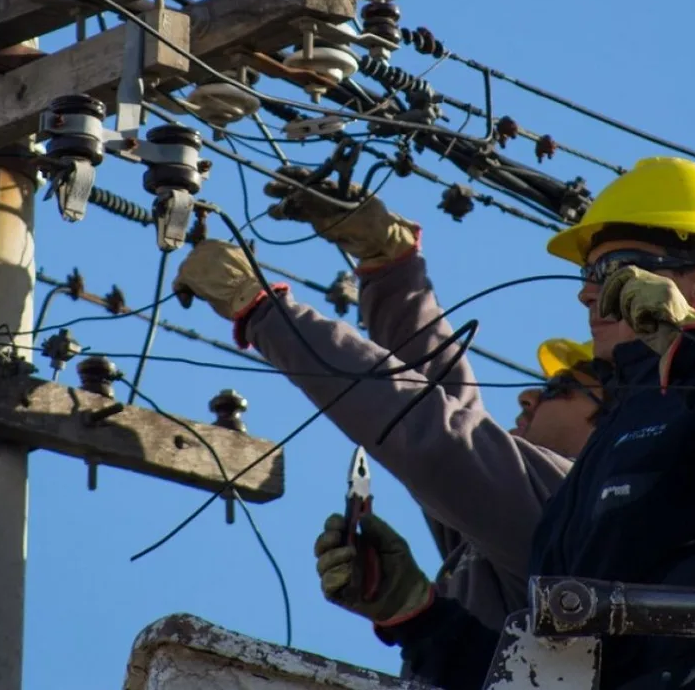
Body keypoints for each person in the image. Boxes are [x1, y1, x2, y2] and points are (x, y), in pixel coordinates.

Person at [307, 156, 695, 690]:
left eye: (610, 270)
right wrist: (415, 614)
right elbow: (545, 671)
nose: (588, 292)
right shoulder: (602, 458)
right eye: (587, 273)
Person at [172, 179, 602, 640]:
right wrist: (391, 267)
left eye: (560, 387)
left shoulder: (574, 508)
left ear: (611, 424)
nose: (528, 397)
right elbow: (442, 396)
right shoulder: (509, 531)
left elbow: (434, 435)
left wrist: (263, 312)